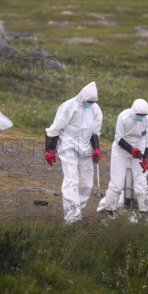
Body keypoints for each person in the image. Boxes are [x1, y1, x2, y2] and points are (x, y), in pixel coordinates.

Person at [44, 82, 103, 224]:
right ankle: (72, 218)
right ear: (82, 96)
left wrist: (96, 148)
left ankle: (78, 212)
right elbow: (55, 128)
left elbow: (95, 132)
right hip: (68, 144)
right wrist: (49, 149)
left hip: (86, 146)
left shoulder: (96, 109)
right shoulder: (69, 106)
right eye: (88, 101)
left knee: (86, 183)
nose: (90, 104)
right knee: (72, 180)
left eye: (93, 102)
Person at [97, 99, 148, 218]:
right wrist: (130, 150)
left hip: (139, 149)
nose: (141, 117)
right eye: (138, 115)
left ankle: (144, 211)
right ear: (133, 112)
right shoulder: (123, 117)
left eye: (143, 115)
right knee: (117, 183)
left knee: (141, 182)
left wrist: (147, 159)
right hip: (121, 149)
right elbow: (118, 138)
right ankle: (110, 209)